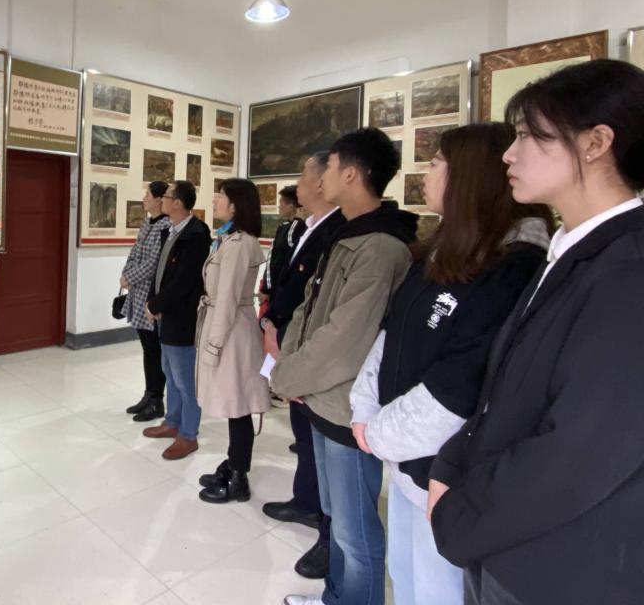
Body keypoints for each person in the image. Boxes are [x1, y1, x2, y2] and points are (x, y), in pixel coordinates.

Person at [428, 59, 644, 604]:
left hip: (559, 567)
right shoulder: (573, 251)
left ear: (595, 142)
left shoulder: (628, 270)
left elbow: (579, 452)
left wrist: (461, 515)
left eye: (527, 134)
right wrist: (452, 465)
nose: (509, 153)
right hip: (511, 546)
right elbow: (507, 392)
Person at [348, 123, 551, 605]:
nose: (426, 173)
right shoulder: (440, 249)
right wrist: (364, 410)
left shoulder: (513, 266)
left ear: (471, 176)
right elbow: (390, 334)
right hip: (402, 458)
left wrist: (379, 433)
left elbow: (461, 385)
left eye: (437, 162)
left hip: (445, 473)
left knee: (436, 590)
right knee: (404, 574)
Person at [273, 128, 417, 605]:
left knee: (355, 532)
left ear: (352, 174)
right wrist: (291, 365)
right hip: (321, 398)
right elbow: (308, 310)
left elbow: (344, 339)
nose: (320, 178)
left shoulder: (381, 246)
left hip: (346, 405)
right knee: (336, 516)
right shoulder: (348, 234)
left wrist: (287, 375)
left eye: (330, 167)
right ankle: (336, 596)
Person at [261, 153, 345, 580]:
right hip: (286, 338)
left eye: (304, 174)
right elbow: (288, 281)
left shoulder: (337, 231)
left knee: (318, 437)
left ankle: (322, 516)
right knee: (303, 430)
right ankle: (306, 500)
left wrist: (280, 328)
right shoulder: (307, 227)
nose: (298, 183)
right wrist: (271, 320)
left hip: (307, 349)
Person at [196, 178, 270, 503]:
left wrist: (213, 346)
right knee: (233, 405)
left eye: (221, 196)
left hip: (232, 333)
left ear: (236, 205)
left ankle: (239, 478)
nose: (215, 200)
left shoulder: (240, 244)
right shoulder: (227, 239)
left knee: (238, 406)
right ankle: (232, 464)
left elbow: (226, 299)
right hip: (226, 325)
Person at [143, 180, 211, 460]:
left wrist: (158, 303)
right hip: (165, 314)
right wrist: (152, 301)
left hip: (182, 317)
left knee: (185, 379)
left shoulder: (196, 235)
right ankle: (172, 422)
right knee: (169, 372)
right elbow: (160, 272)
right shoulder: (169, 230)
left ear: (178, 203)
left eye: (167, 196)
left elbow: (184, 281)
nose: (162, 200)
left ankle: (188, 434)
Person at [121, 181, 171, 422]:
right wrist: (125, 274)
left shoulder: (165, 226)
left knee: (155, 350)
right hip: (137, 292)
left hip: (150, 295)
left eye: (147, 195)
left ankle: (156, 400)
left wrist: (130, 277)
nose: (144, 198)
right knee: (147, 349)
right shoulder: (147, 223)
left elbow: (153, 262)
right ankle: (148, 394)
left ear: (159, 200)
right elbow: (135, 252)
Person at [258, 186, 304, 308]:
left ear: (291, 206)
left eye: (281, 202)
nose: (279, 206)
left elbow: (278, 260)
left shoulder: (297, 228)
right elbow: (272, 259)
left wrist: (267, 289)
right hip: (277, 290)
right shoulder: (283, 227)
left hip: (286, 291)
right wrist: (266, 288)